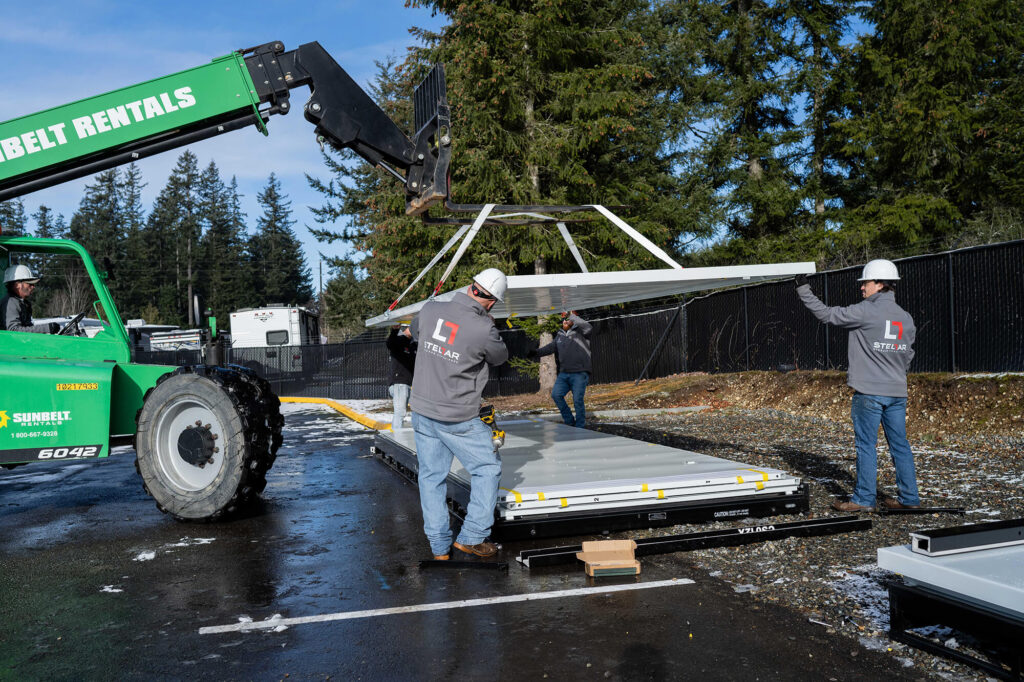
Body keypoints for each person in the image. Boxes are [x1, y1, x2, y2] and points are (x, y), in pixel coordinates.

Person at [795, 259, 920, 512]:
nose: (862, 288)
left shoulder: (865, 311)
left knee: (866, 446)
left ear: (880, 284)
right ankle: (909, 499)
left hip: (869, 394)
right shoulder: (906, 318)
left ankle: (863, 499)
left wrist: (802, 288)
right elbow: (908, 355)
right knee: (900, 446)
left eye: (865, 283)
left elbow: (826, 315)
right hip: (897, 392)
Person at [409, 268, 509, 560]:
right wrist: (487, 325)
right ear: (491, 302)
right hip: (458, 417)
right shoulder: (483, 329)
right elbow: (500, 357)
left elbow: (416, 332)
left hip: (423, 410)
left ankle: (439, 547)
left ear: (471, 287)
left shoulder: (429, 310)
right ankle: (473, 536)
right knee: (487, 469)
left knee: (431, 477)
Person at [530, 311, 593, 428]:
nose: (564, 321)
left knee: (577, 400)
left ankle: (580, 426)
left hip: (580, 372)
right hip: (564, 374)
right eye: (563, 320)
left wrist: (571, 315)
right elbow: (550, 348)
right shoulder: (560, 335)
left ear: (574, 320)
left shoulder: (582, 332)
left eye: (567, 319)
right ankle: (569, 421)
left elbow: (588, 326)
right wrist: (535, 353)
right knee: (556, 395)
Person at [2, 264, 60, 334]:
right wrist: (46, 328)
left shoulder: (22, 302)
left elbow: (27, 327)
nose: (33, 287)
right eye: (30, 284)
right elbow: (13, 331)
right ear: (17, 285)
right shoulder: (10, 303)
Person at [385, 323, 416, 430]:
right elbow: (390, 343)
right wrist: (394, 330)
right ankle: (397, 437)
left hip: (407, 383)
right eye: (410, 328)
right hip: (399, 383)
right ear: (405, 329)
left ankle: (399, 434)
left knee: (404, 413)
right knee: (400, 412)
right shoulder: (399, 340)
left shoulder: (413, 345)